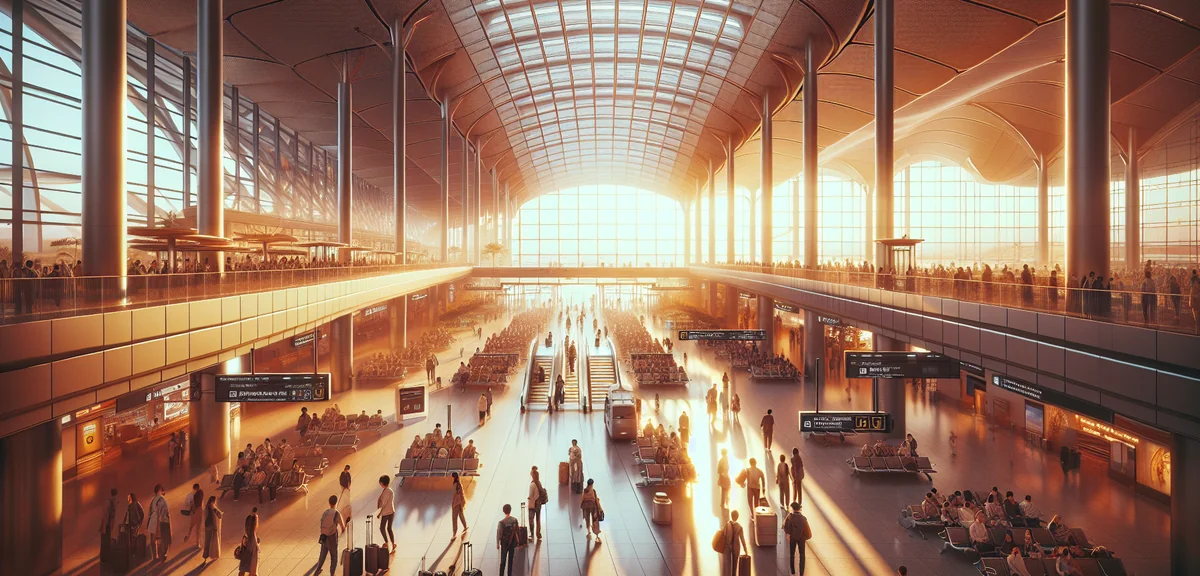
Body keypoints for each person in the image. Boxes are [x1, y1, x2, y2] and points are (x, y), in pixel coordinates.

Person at [315, 494, 346, 574]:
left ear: (329, 503)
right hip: (332, 537)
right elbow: (343, 526)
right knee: (334, 556)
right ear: (336, 502)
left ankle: (318, 569)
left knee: (323, 554)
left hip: (324, 536)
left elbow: (321, 523)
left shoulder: (325, 512)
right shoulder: (336, 513)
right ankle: (332, 573)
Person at [782, 502, 812, 575]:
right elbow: (808, 532)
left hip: (793, 538)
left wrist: (788, 534)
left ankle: (792, 571)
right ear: (799, 509)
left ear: (792, 509)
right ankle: (801, 573)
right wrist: (804, 537)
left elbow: (784, 526)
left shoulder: (790, 517)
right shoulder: (803, 518)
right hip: (801, 539)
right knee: (802, 555)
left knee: (792, 554)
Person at [147, 484, 171, 562]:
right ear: (160, 490)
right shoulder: (161, 500)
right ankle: (160, 556)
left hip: (152, 520)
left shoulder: (153, 500)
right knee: (160, 539)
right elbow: (164, 512)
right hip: (159, 520)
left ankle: (154, 557)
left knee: (153, 540)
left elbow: (150, 512)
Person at [722, 510, 748, 576]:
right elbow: (742, 539)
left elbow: (724, 535)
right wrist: (745, 550)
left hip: (728, 547)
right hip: (736, 547)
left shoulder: (727, 525)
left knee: (727, 564)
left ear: (731, 516)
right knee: (734, 565)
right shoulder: (739, 527)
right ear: (737, 517)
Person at [496, 504, 521, 576]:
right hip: (512, 543)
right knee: (510, 561)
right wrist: (518, 541)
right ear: (510, 510)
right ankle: (509, 574)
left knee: (503, 561)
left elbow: (499, 533)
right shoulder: (514, 520)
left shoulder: (501, 522)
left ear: (503, 511)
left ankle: (501, 574)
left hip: (504, 544)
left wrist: (498, 543)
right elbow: (517, 531)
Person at [377, 475, 397, 552]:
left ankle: (387, 542)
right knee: (389, 528)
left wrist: (379, 513)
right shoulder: (390, 490)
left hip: (386, 512)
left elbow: (384, 504)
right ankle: (393, 544)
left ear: (382, 483)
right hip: (391, 511)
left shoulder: (386, 492)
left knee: (382, 528)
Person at [201, 495, 223, 564]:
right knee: (214, 541)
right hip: (212, 526)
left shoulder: (206, 507)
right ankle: (214, 554)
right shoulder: (212, 506)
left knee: (207, 541)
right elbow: (219, 515)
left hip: (207, 525)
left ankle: (205, 556)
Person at [99, 488, 118, 553]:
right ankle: (107, 550)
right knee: (108, 536)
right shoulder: (113, 502)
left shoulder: (109, 502)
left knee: (106, 537)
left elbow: (105, 515)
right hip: (109, 523)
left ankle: (106, 550)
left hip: (108, 523)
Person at [527, 467, 544, 539]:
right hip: (538, 504)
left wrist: (529, 498)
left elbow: (531, 495)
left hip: (533, 504)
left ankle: (532, 533)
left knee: (531, 519)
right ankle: (538, 533)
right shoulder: (539, 483)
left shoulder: (532, 484)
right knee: (538, 519)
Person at [451, 472, 469, 537]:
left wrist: (454, 502)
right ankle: (465, 526)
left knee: (454, 517)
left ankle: (454, 533)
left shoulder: (456, 484)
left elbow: (456, 494)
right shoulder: (459, 483)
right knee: (461, 514)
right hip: (459, 502)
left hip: (456, 502)